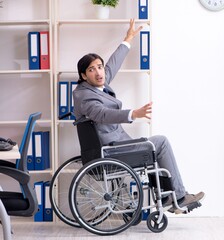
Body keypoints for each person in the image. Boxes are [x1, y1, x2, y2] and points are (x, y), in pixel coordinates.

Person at [73, 19, 204, 214]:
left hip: (116, 146)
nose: (99, 72)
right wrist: (133, 114)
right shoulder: (84, 95)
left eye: (99, 66)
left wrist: (128, 39)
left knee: (153, 148)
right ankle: (177, 196)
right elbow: (101, 114)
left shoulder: (96, 85)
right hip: (111, 151)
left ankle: (170, 196)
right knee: (160, 142)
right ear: (84, 75)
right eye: (91, 69)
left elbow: (112, 66)